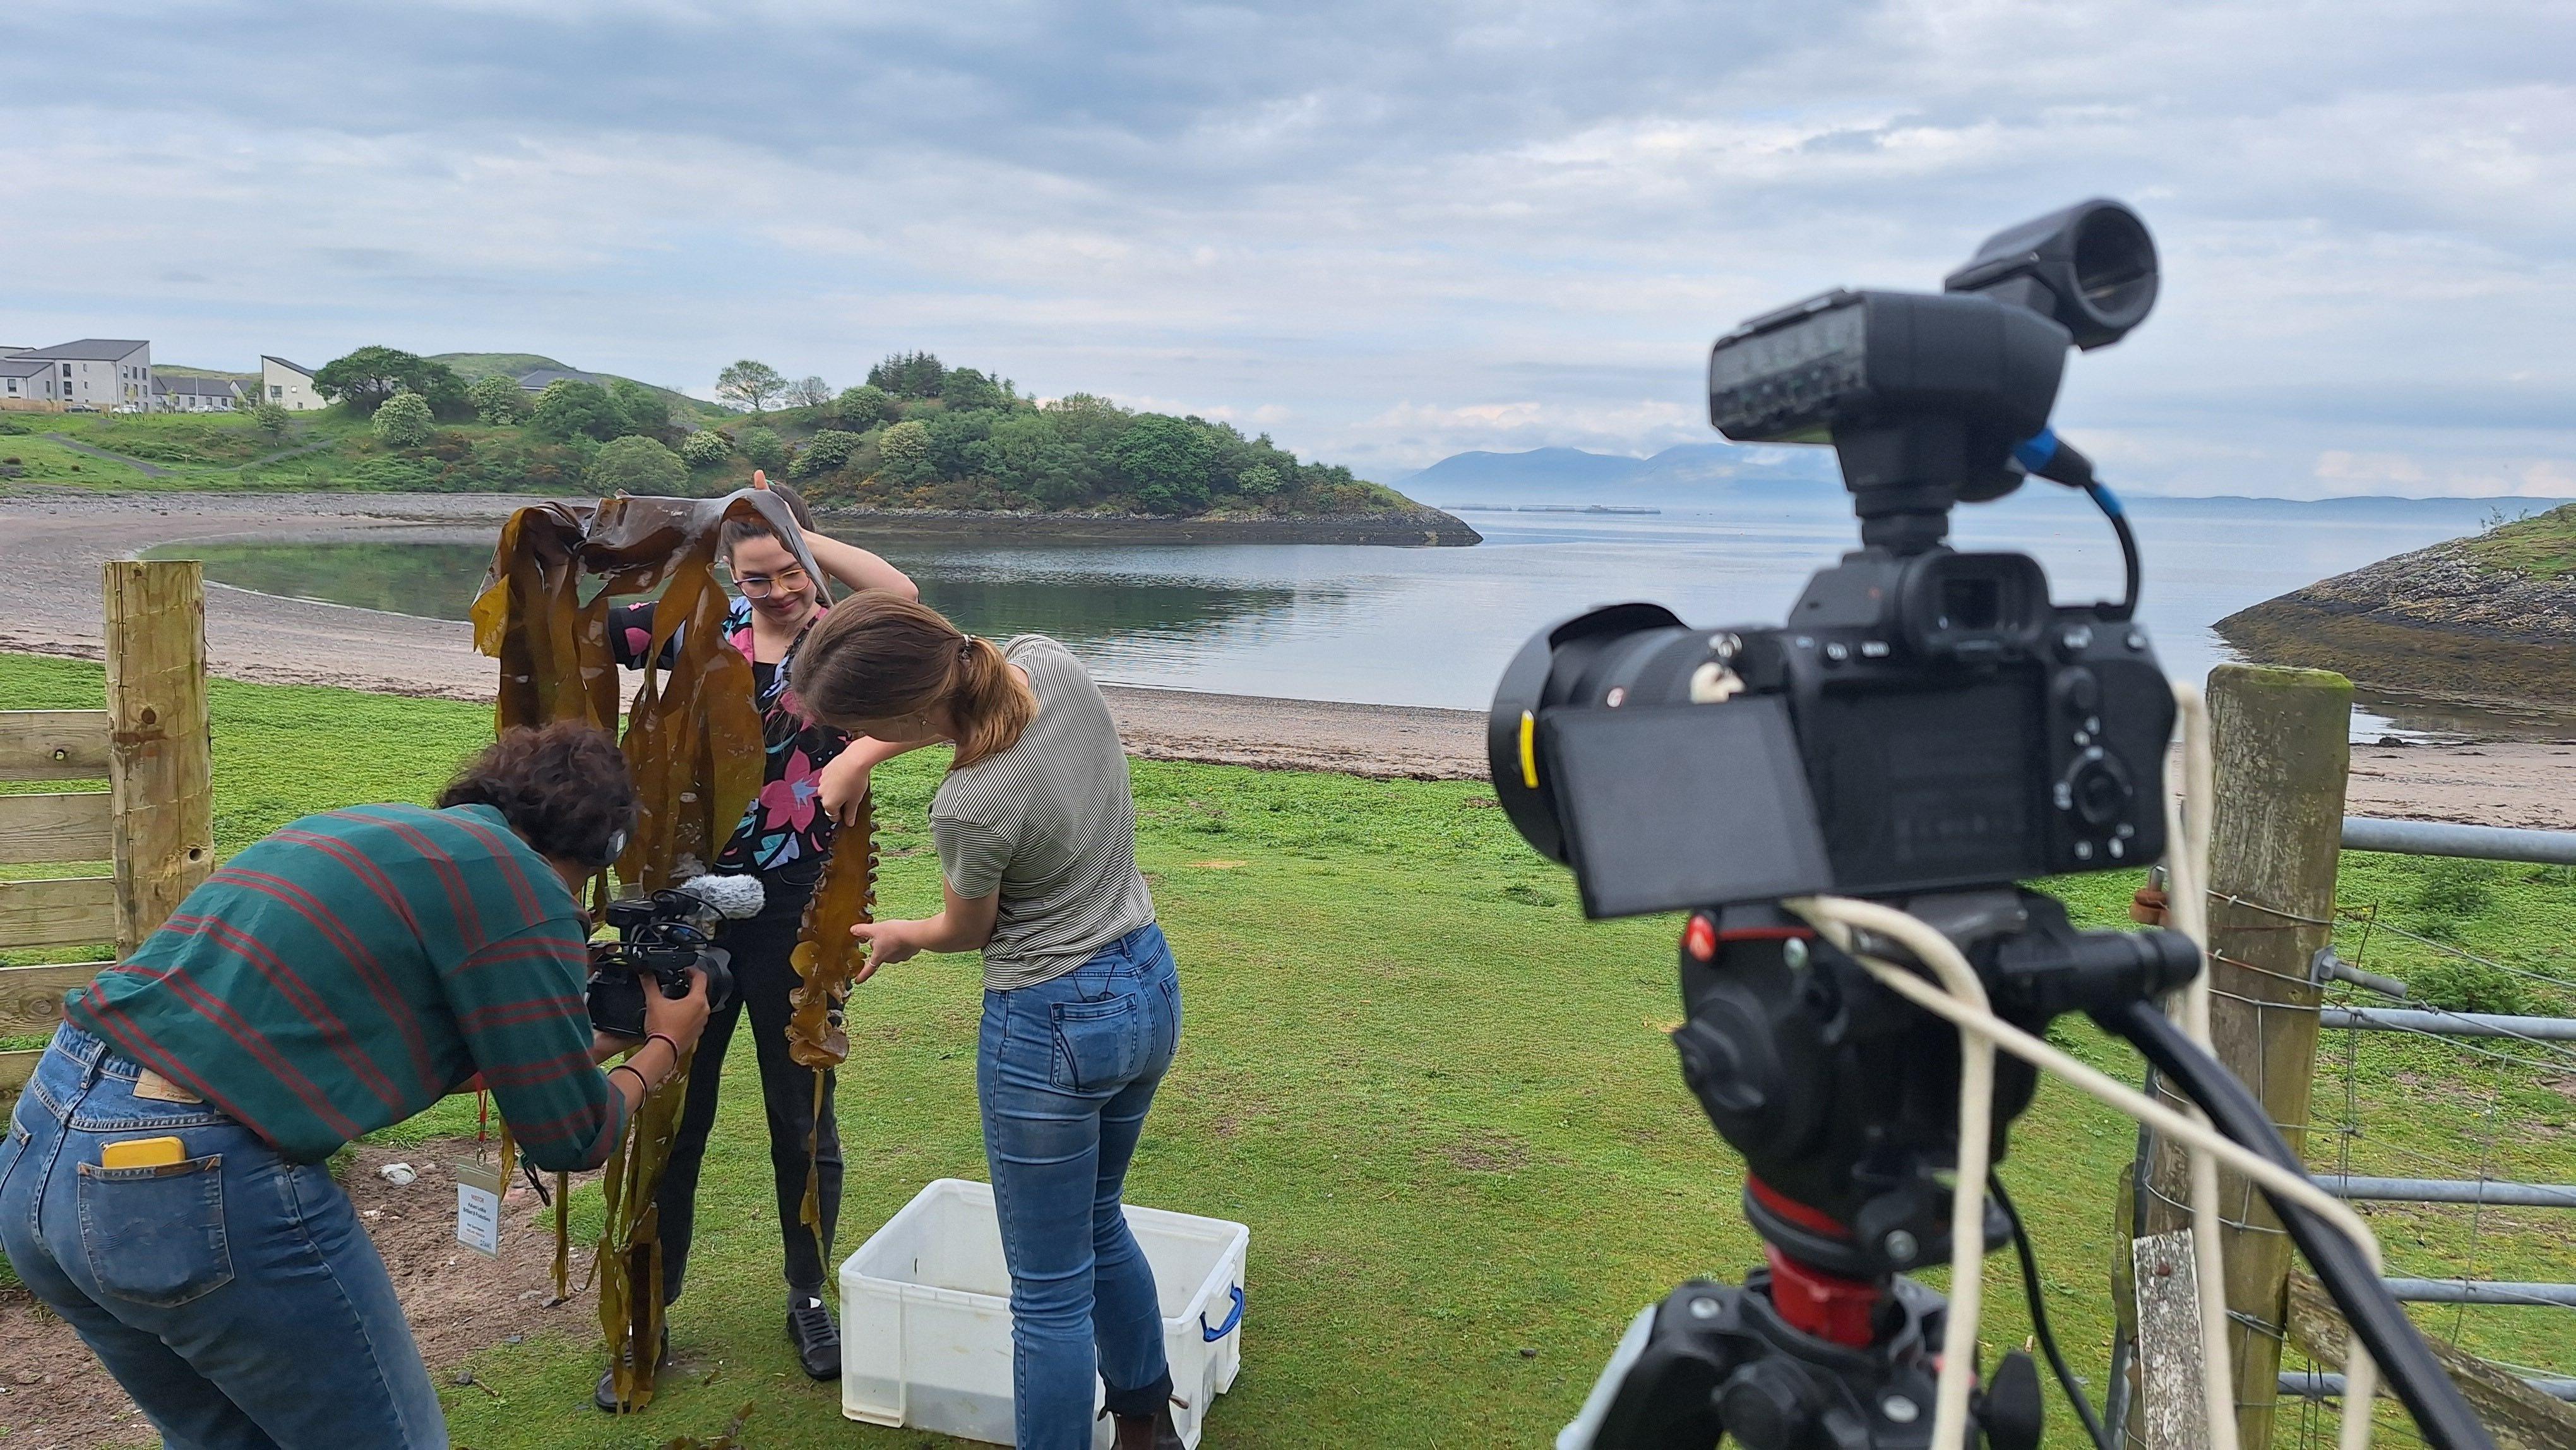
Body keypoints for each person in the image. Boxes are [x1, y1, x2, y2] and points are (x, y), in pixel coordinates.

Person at [0, 722, 712, 1450]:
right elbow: (573, 1137)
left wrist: (574, 1045)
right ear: (605, 848)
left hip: (42, 1155)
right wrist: (664, 1043)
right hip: (190, 1177)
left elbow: (338, 1042)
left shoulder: (352, 827)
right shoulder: (524, 885)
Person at [790, 596, 1187, 1450]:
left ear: (903, 714)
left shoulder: (970, 803)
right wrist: (864, 749)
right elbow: (942, 660)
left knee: (1047, 1292)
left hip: (1051, 1021)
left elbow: (968, 932)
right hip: (1148, 982)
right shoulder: (1052, 665)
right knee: (1099, 1218)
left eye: (858, 725)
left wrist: (902, 937)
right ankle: (1147, 1427)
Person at [599, 476, 917, 1399]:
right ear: (728, 572)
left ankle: (806, 1292)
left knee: (801, 1114)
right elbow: (582, 627)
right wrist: (696, 532)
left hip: (802, 908)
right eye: (758, 574)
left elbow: (904, 605)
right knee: (673, 1114)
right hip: (687, 901)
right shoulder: (697, 632)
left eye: (790, 572)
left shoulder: (839, 642)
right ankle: (649, 1308)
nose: (777, 591)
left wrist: (861, 751)